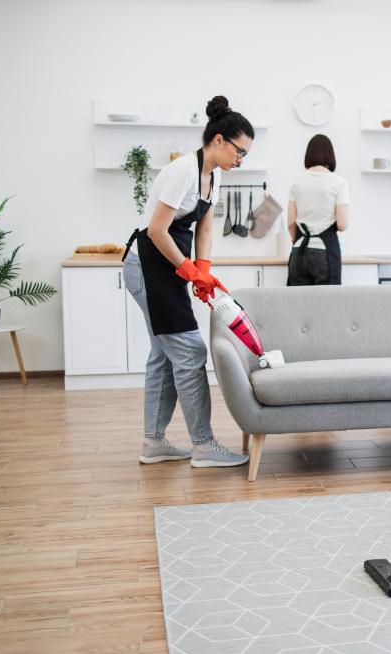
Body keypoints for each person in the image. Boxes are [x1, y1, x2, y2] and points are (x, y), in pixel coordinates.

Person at [121, 95, 252, 468]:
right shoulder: (182, 170)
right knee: (189, 351)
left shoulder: (215, 175)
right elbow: (158, 231)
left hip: (166, 266)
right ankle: (204, 446)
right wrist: (189, 270)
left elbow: (205, 226)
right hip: (148, 265)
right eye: (239, 151)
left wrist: (204, 268)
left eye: (245, 154)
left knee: (164, 355)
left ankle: (153, 442)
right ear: (218, 141)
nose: (240, 159)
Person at [287, 134, 349, 285]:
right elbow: (342, 224)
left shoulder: (296, 181)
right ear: (330, 155)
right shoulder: (339, 182)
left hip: (299, 250)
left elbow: (290, 223)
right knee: (326, 304)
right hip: (325, 253)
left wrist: (297, 240)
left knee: (297, 303)